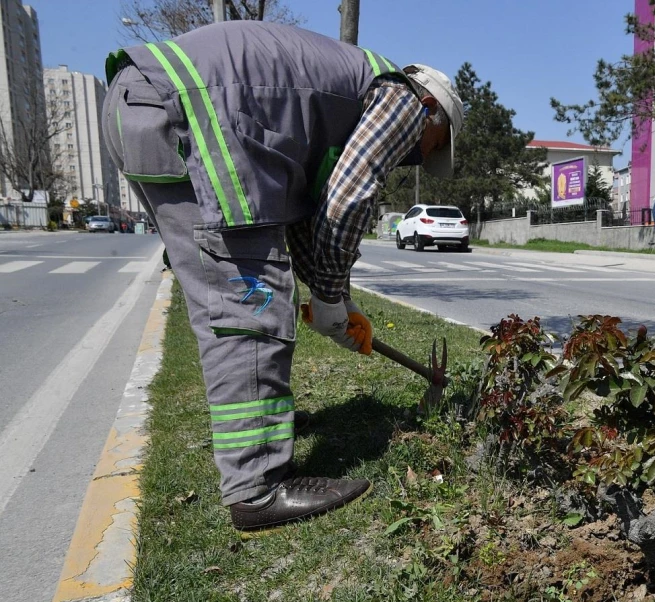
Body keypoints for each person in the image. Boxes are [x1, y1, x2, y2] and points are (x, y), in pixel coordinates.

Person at [101, 22, 462, 531]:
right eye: (434, 144)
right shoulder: (401, 100)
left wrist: (338, 303)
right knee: (250, 304)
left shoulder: (332, 97)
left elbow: (302, 223)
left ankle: (257, 434)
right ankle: (256, 488)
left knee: (225, 298)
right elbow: (349, 198)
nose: (421, 156)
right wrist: (331, 298)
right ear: (430, 110)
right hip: (190, 113)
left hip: (139, 104)